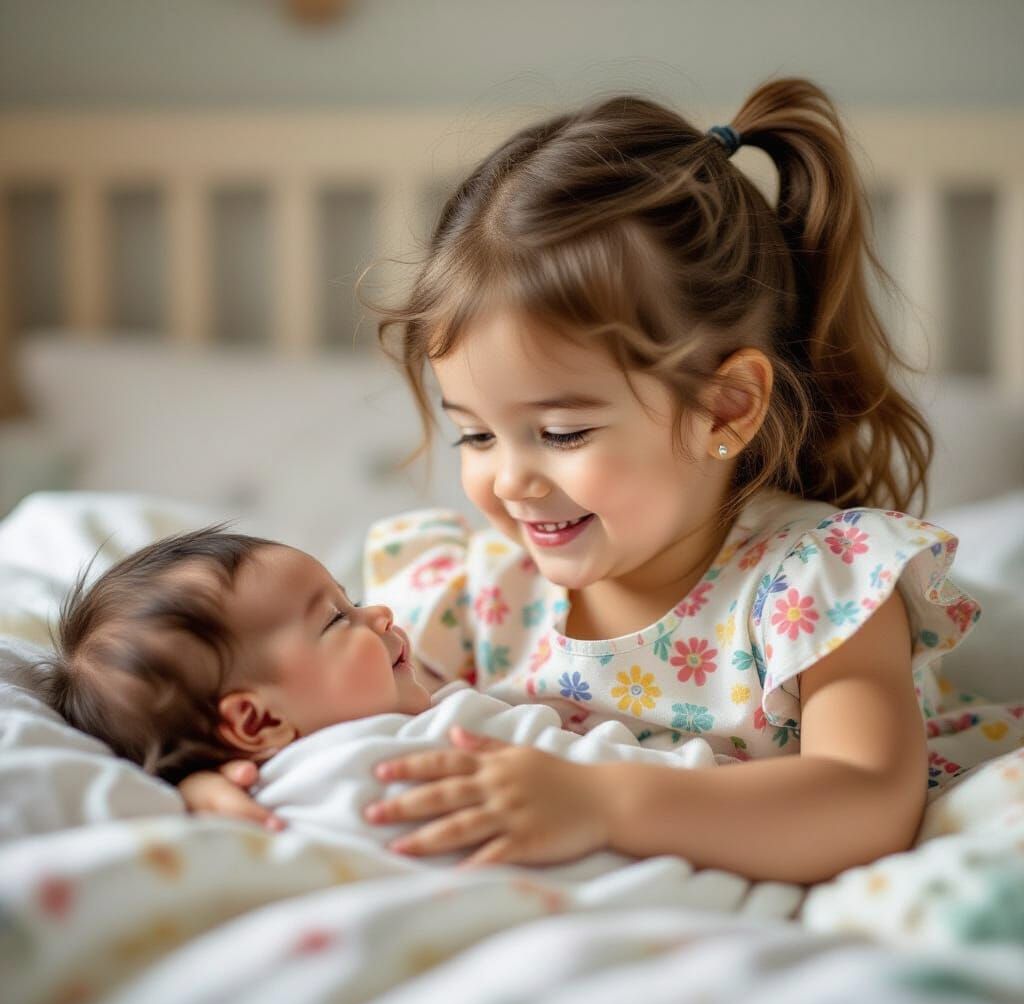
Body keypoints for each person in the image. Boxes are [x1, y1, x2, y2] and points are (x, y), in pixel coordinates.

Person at [179, 77, 987, 884]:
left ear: (726, 409)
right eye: (475, 434)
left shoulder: (816, 587)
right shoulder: (470, 597)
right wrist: (224, 776)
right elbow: (309, 710)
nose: (513, 480)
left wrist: (602, 804)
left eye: (562, 433)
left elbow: (869, 800)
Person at [32, 524, 443, 824]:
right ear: (257, 719)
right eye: (336, 620)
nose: (380, 614)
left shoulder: (414, 715)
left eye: (351, 600)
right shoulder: (348, 772)